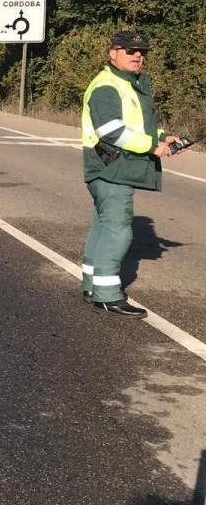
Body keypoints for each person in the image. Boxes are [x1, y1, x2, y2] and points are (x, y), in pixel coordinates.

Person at [80, 30, 181, 318]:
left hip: (112, 168)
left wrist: (162, 138)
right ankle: (107, 295)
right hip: (111, 169)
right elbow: (110, 130)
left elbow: (135, 125)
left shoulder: (127, 84)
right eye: (130, 50)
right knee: (117, 231)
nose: (138, 55)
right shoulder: (107, 85)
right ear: (113, 52)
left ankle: (92, 286)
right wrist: (152, 146)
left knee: (103, 227)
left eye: (142, 51)